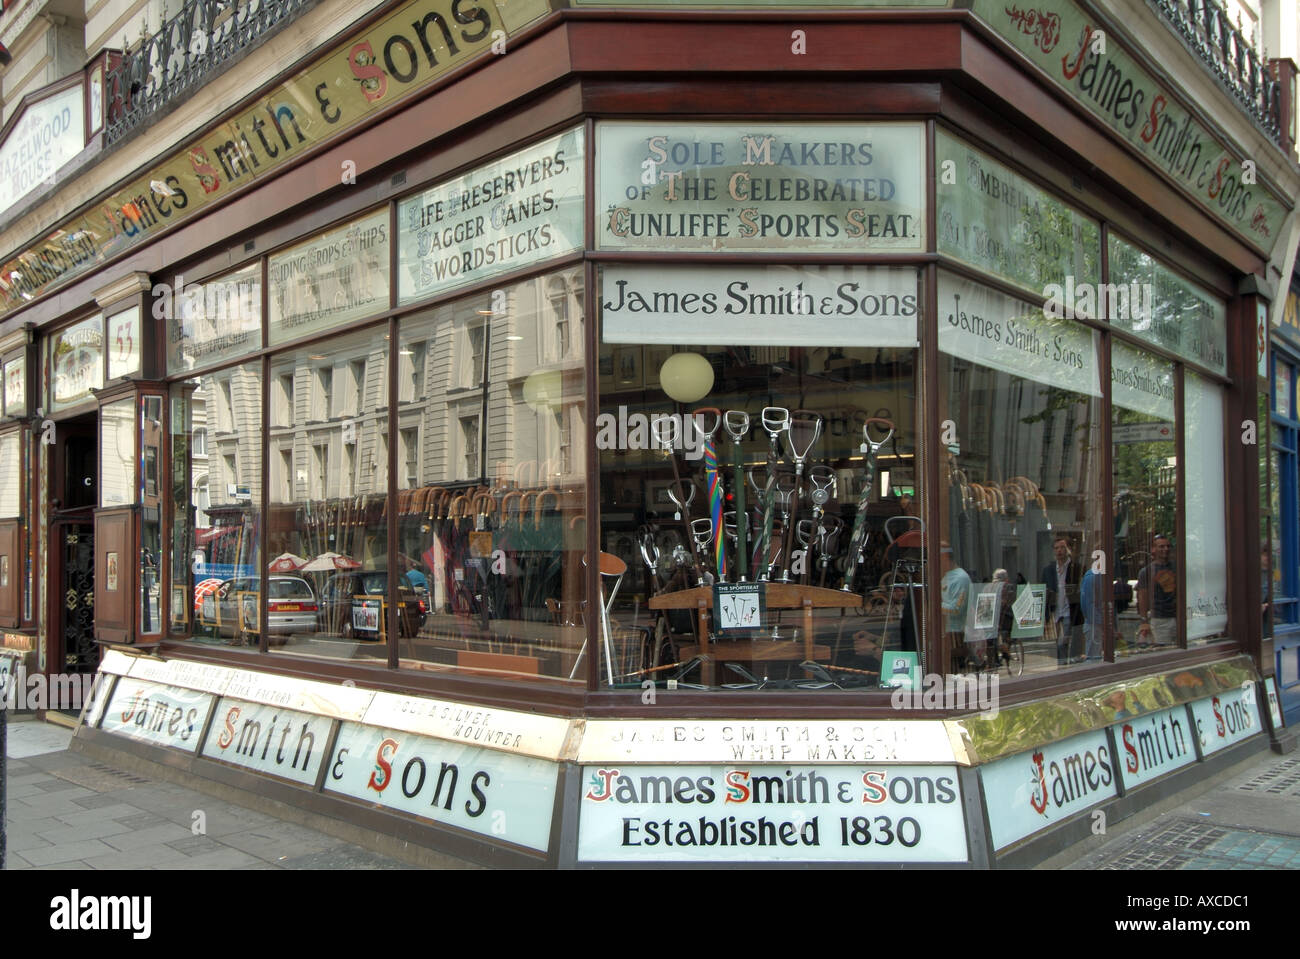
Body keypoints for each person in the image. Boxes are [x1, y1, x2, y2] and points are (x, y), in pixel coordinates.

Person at [1042, 535, 1083, 665]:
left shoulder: (1076, 568)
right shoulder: (1048, 570)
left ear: (1068, 550)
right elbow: (1043, 591)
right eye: (1056, 548)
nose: (1059, 551)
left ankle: (1063, 665)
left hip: (1069, 611)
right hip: (1054, 613)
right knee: (1056, 643)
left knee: (1062, 642)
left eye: (1062, 548)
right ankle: (1063, 664)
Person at [1136, 534, 1176, 647]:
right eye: (1161, 546)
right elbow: (1142, 597)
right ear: (1153, 549)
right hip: (1159, 620)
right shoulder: (1146, 571)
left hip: (1178, 617)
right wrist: (1144, 621)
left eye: (1168, 546)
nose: (1166, 549)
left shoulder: (1177, 567)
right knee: (1163, 651)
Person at [940, 543, 974, 668]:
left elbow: (956, 609)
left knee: (954, 676)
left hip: (955, 633)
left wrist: (934, 603)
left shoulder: (960, 578)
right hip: (946, 632)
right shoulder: (946, 576)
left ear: (944, 557)